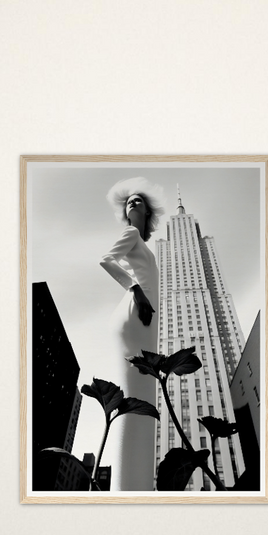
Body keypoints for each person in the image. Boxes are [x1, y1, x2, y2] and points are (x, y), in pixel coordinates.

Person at [99, 178, 165, 491]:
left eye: (139, 200)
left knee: (143, 393)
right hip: (137, 312)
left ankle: (136, 485)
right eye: (129, 201)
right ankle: (127, 490)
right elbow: (106, 259)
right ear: (125, 213)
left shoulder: (142, 241)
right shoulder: (130, 234)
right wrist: (136, 292)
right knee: (136, 393)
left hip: (145, 315)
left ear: (147, 211)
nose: (133, 203)